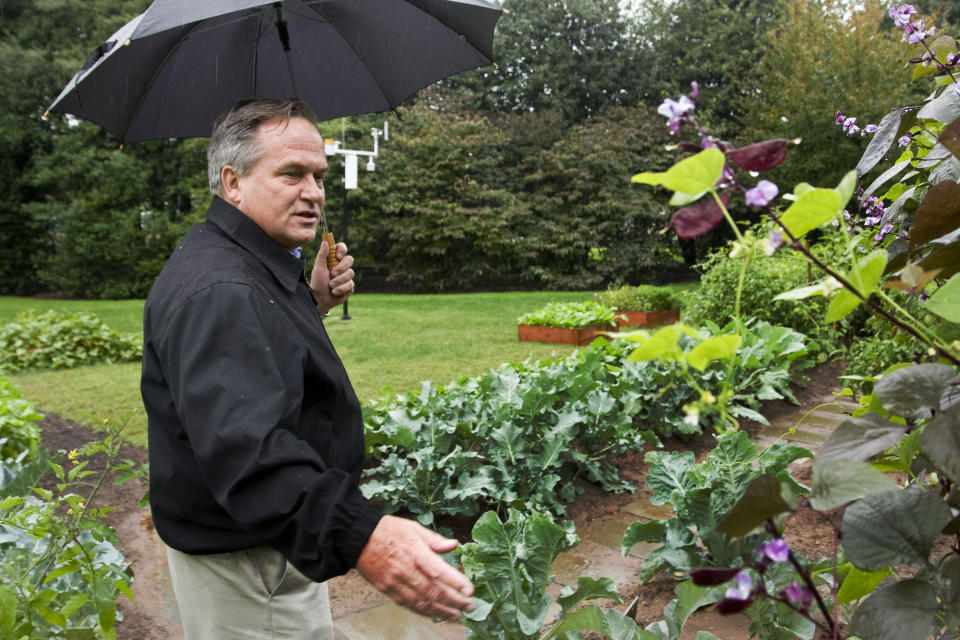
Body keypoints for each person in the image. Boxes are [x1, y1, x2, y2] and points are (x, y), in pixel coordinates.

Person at [140, 98, 474, 639]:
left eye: (319, 175)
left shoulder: (245, 262)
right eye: (291, 173)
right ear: (233, 182)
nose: (314, 192)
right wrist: (363, 535)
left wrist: (308, 300)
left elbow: (256, 355)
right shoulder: (223, 289)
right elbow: (249, 453)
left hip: (265, 543)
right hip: (250, 568)